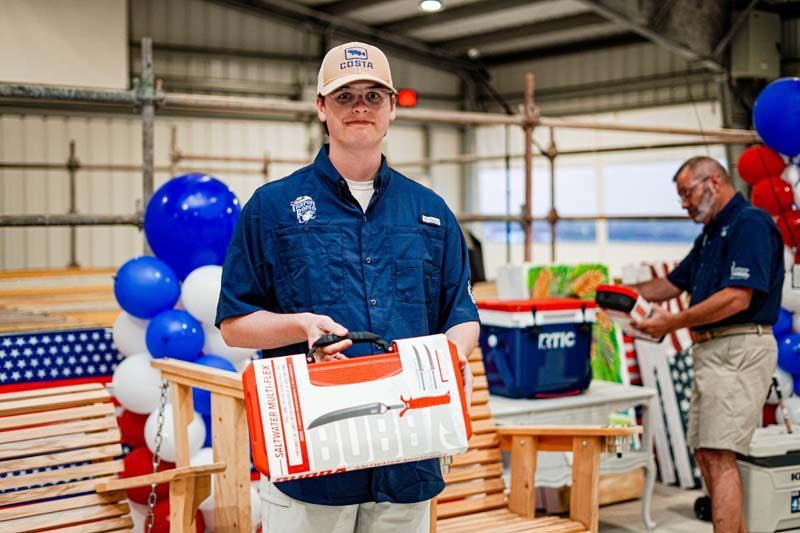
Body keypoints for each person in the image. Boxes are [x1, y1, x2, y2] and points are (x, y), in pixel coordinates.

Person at [215, 41, 480, 533]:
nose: (360, 107)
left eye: (373, 96)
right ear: (321, 107)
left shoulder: (431, 213)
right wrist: (301, 325)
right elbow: (234, 324)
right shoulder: (272, 209)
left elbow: (461, 315)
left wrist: (452, 356)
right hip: (312, 465)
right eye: (344, 96)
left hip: (407, 458)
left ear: (392, 108)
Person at [632, 156, 783, 533]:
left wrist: (672, 321)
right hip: (712, 351)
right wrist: (611, 294)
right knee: (705, 452)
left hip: (738, 349)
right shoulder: (712, 234)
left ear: (714, 181)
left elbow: (737, 298)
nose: (684, 204)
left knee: (719, 454)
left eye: (687, 193)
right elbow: (670, 284)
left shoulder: (749, 224)